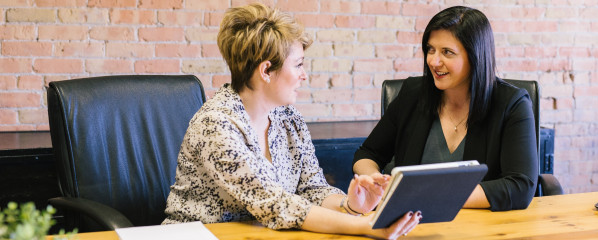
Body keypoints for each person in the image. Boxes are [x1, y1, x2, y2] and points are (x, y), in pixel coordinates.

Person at [162, 3, 420, 238]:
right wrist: (365, 225)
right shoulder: (216, 125)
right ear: (266, 71)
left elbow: (312, 188)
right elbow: (275, 204)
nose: (304, 75)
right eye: (298, 65)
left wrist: (350, 205)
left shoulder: (288, 118)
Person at [353, 6, 539, 211]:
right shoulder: (413, 94)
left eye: (447, 52)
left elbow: (521, 186)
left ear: (475, 56)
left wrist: (431, 196)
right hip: (409, 224)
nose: (434, 61)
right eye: (431, 50)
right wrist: (373, 180)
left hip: (481, 226)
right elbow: (367, 154)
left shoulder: (512, 104)